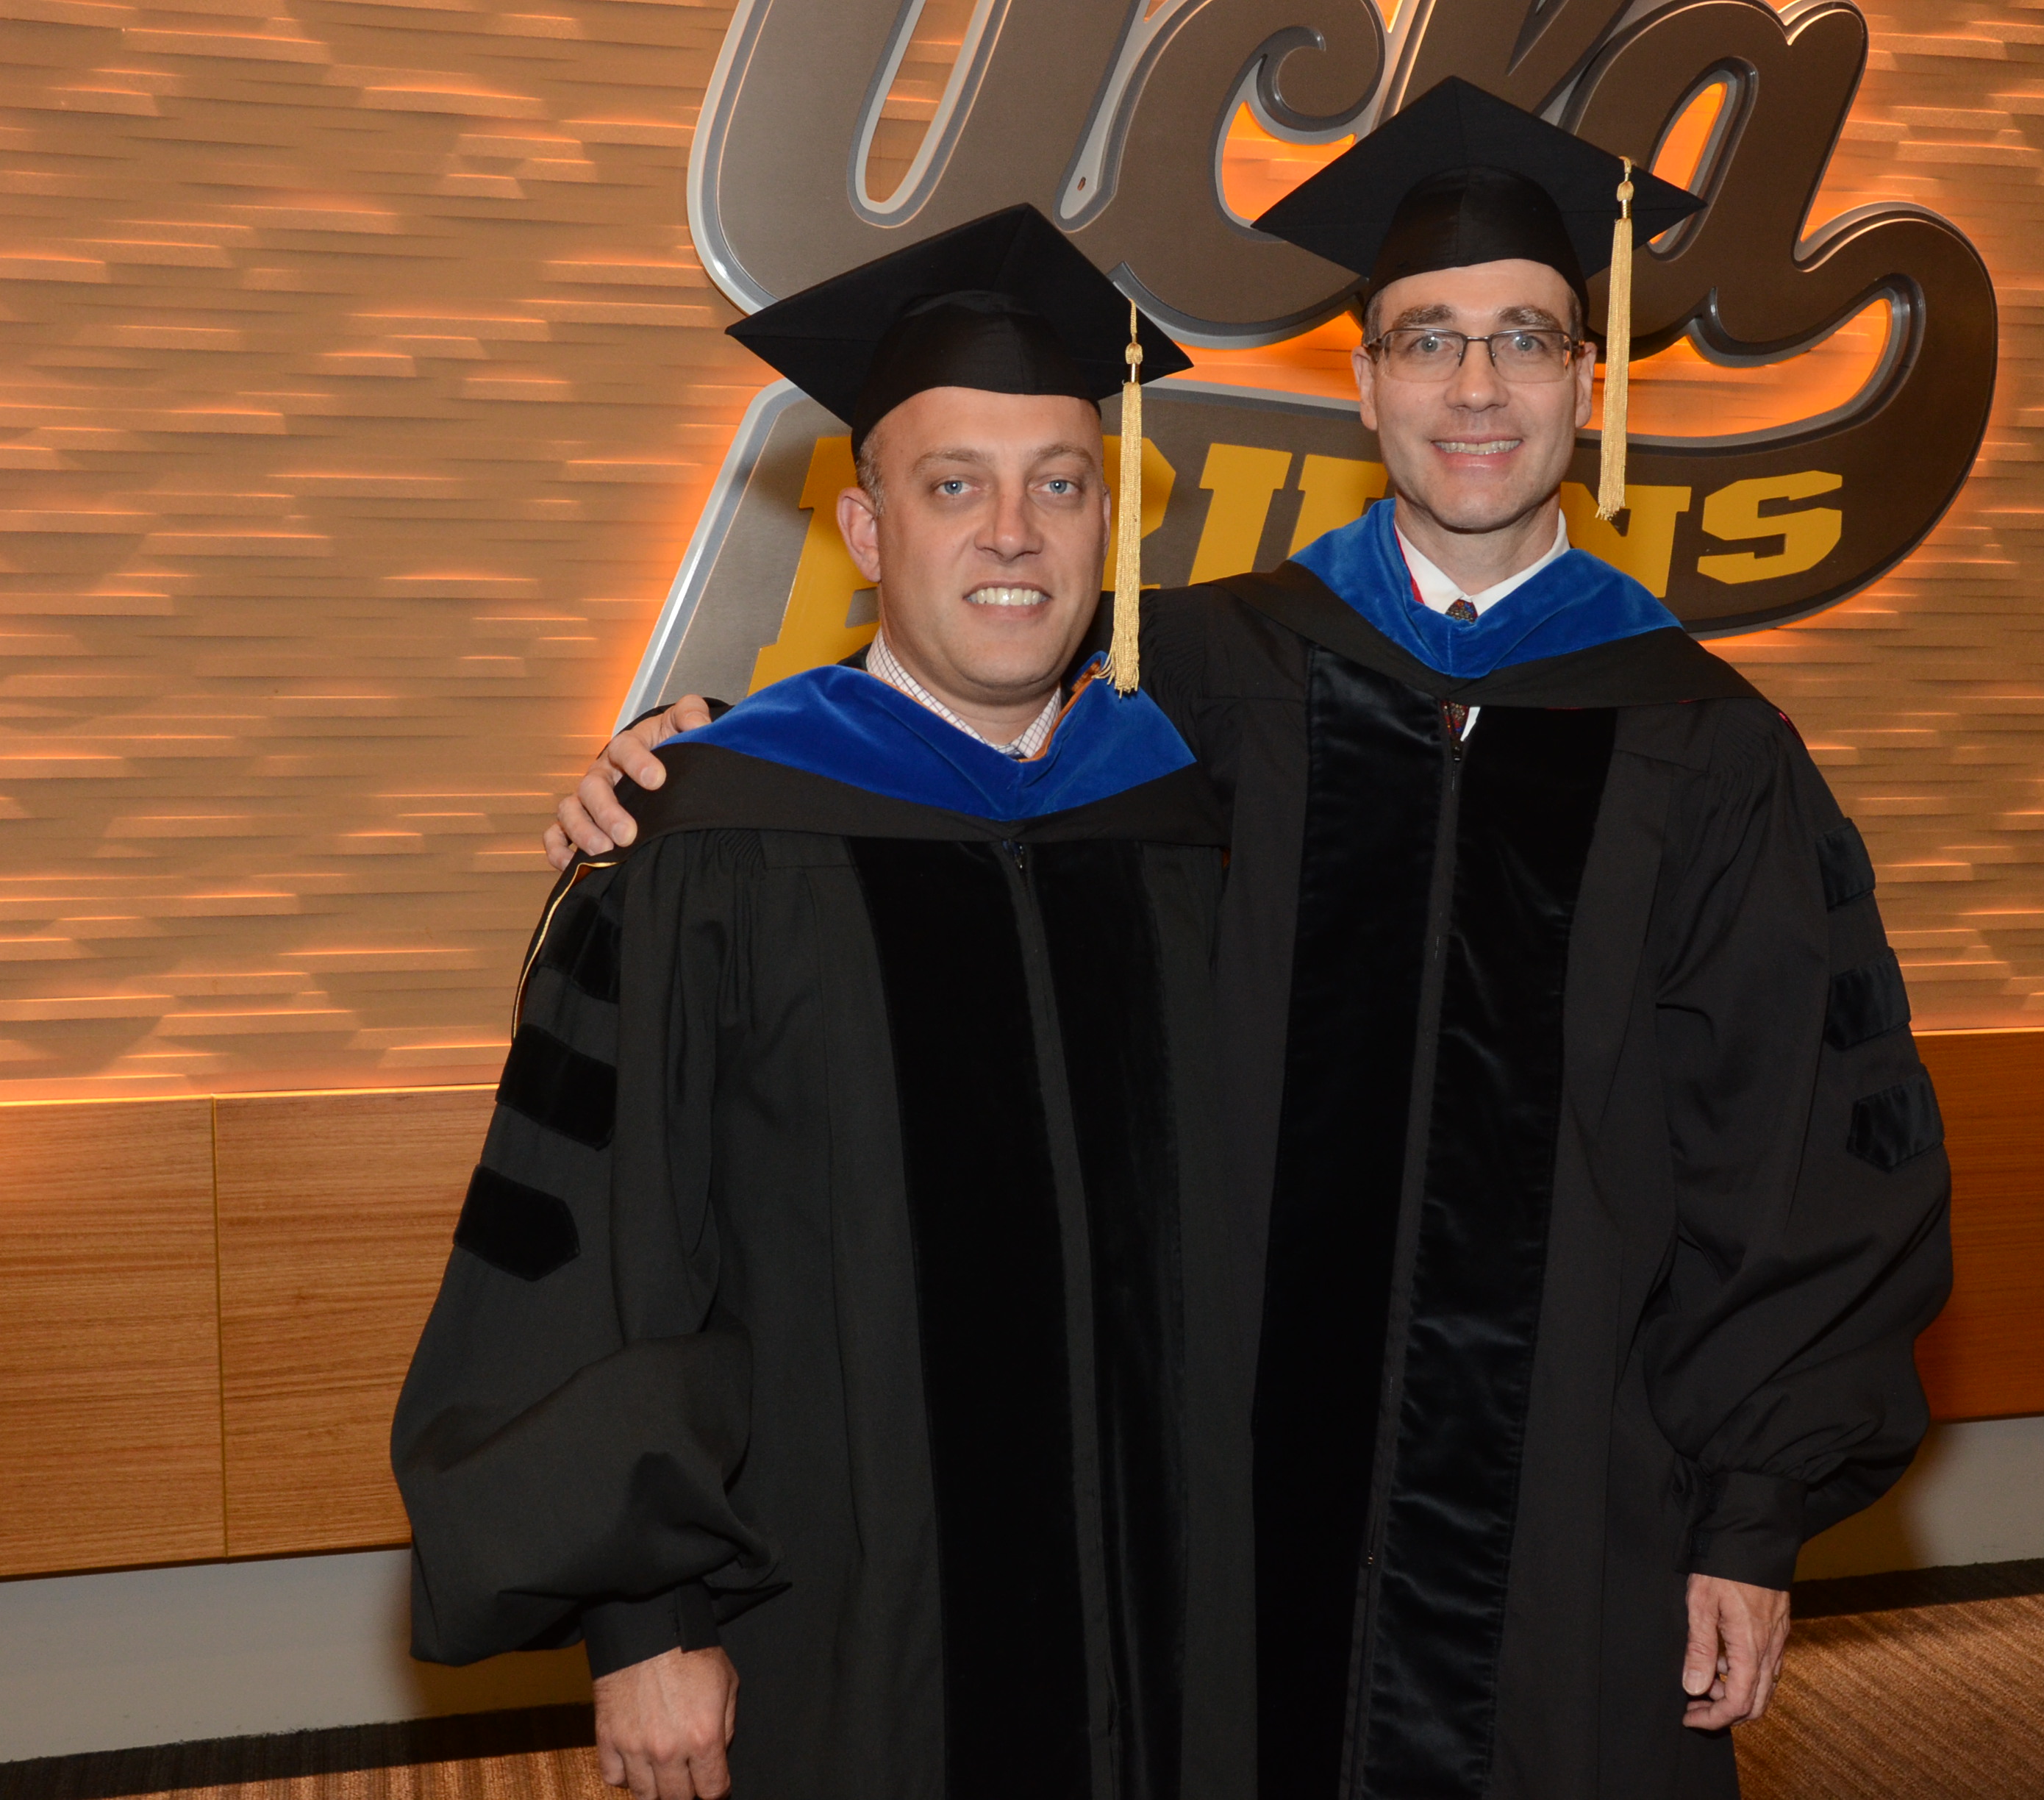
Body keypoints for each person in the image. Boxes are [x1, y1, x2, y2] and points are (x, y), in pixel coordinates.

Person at [555, 80, 1953, 1800]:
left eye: (1524, 339)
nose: (1476, 387)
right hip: (1216, 1518)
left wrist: (1750, 1516)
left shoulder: (1712, 750)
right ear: (1364, 382)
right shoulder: (1198, 685)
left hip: (1572, 1529)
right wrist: (691, 755)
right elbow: (934, 755)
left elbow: (1794, 1157)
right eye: (1427, 339)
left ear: (1587, 383)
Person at [399, 205, 1258, 1800]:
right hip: (841, 1617)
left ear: (1106, 522)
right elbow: (600, 1240)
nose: (1015, 534)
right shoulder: (713, 839)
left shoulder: (1178, 825)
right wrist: (644, 1617)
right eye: (955, 486)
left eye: (1060, 485)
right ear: (866, 531)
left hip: (1163, 1603)